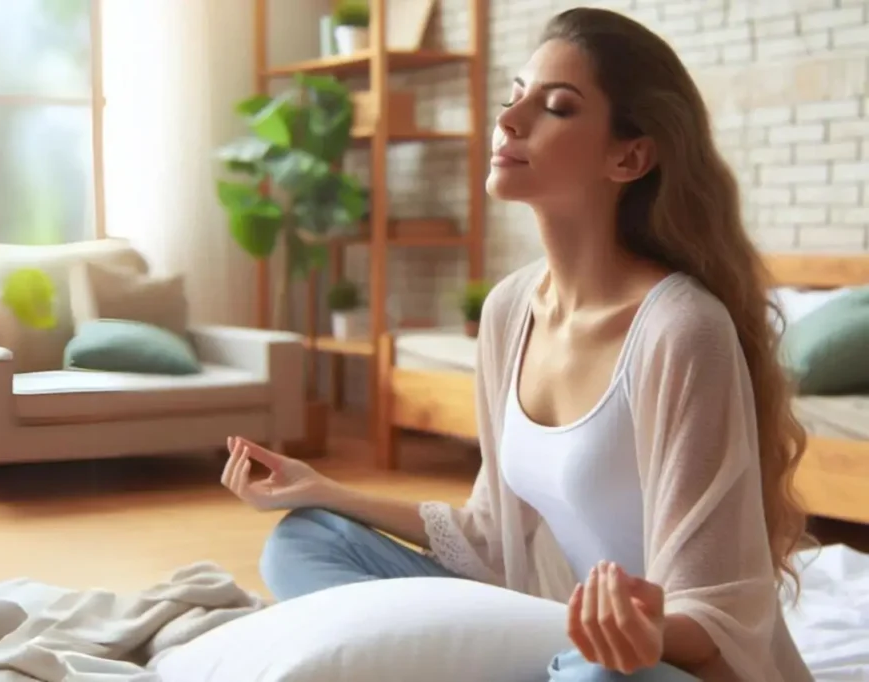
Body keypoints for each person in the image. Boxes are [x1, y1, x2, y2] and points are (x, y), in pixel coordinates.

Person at [221, 7, 815, 682]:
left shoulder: (681, 330)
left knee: (596, 672)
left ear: (630, 156)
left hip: (669, 666)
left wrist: (640, 630)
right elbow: (490, 540)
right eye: (514, 97)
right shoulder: (509, 310)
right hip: (559, 636)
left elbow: (718, 622)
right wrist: (327, 490)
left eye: (556, 107)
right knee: (306, 539)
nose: (509, 120)